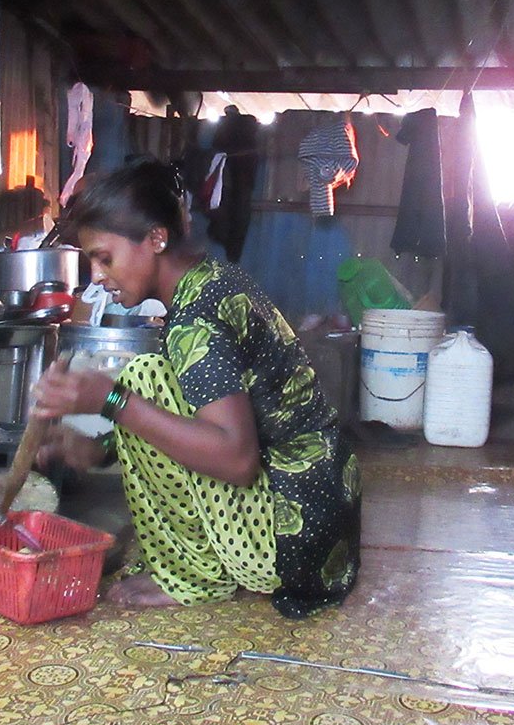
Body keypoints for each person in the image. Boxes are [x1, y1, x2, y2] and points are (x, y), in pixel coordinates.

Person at [32, 158, 360, 618]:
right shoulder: (211, 281)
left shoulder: (197, 317)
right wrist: (101, 448)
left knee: (140, 377)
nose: (97, 277)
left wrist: (109, 399)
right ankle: (204, 563)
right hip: (323, 514)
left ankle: (195, 576)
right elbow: (188, 410)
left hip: (291, 533)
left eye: (104, 257)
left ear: (156, 239)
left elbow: (237, 460)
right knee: (146, 384)